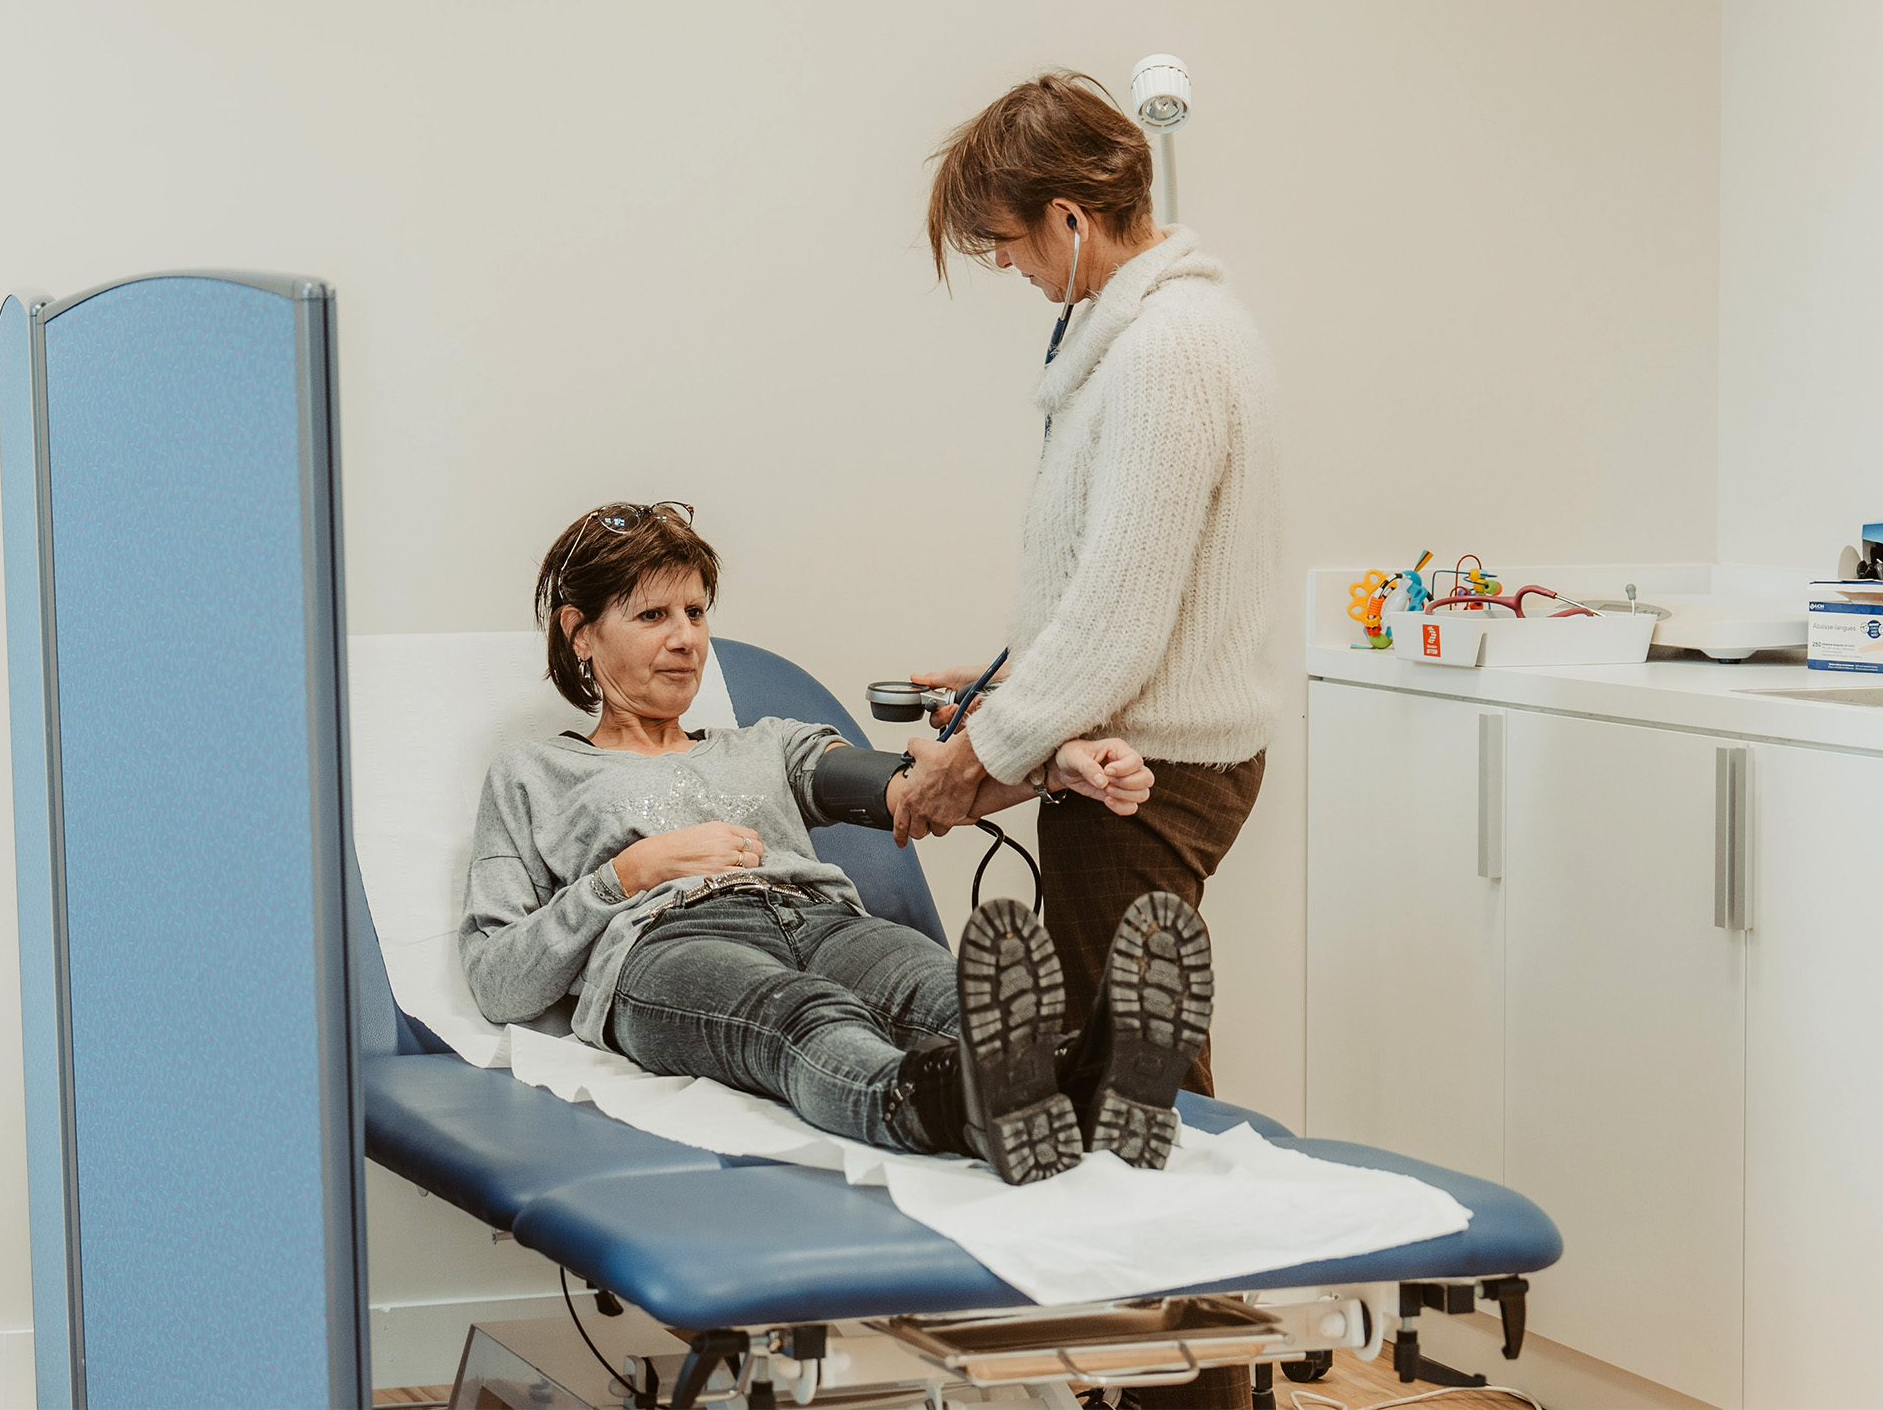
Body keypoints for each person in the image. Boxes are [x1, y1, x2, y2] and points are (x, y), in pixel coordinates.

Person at [458, 502, 1215, 1186]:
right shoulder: (534, 773)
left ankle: (1088, 1077)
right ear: (580, 632)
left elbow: (915, 789)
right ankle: (941, 1108)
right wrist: (625, 874)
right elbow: (497, 981)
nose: (686, 638)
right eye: (653, 615)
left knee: (941, 990)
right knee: (803, 1015)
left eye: (695, 611)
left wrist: (1052, 768)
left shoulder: (771, 742)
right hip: (666, 943)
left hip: (823, 921)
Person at [901, 69, 1278, 1408]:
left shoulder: (1168, 351)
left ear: (1070, 217)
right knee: (1137, 1063)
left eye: (1006, 242)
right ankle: (1182, 1378)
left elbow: (1121, 616)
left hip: (1149, 773)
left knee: (1141, 1090)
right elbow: (1105, 586)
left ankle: (1191, 1388)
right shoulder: (1138, 339)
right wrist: (1009, 680)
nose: (1006, 267)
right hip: (1140, 748)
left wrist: (977, 756)